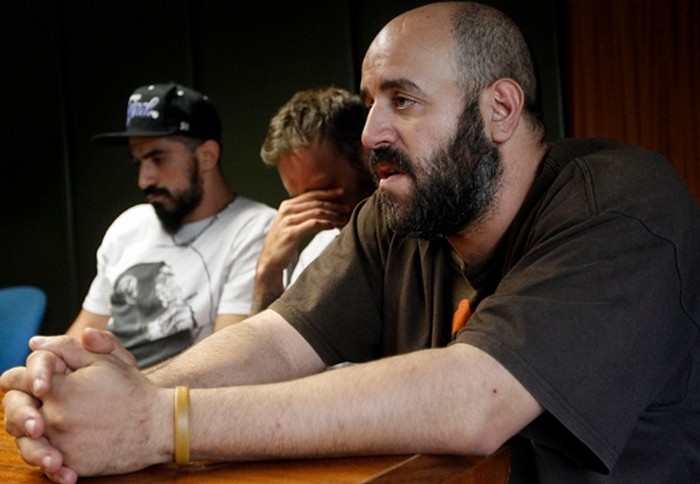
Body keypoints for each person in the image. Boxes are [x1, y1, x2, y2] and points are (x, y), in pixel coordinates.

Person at [3, 2, 700, 483]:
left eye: (404, 100)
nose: (370, 134)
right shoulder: (400, 214)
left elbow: (475, 399)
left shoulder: (624, 205)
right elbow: (279, 340)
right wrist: (112, 398)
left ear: (500, 108)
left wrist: (161, 422)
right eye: (371, 103)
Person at [64, 82, 276, 368]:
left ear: (206, 157)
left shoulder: (255, 229)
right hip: (96, 387)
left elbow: (227, 364)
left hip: (177, 393)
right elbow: (83, 333)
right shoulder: (129, 225)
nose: (144, 180)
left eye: (158, 158)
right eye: (138, 161)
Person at [251, 87, 375, 313]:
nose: (313, 210)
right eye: (300, 199)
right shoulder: (319, 251)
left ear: (366, 155)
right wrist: (268, 273)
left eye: (323, 190)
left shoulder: (414, 237)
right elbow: (272, 335)